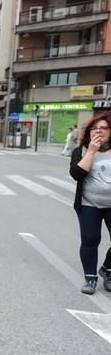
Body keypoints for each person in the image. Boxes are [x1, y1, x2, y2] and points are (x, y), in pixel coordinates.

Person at [69, 113, 111, 294]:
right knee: (90, 239)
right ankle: (90, 278)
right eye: (95, 128)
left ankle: (108, 270)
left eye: (103, 128)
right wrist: (92, 151)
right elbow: (77, 175)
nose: (99, 131)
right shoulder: (81, 151)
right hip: (89, 204)